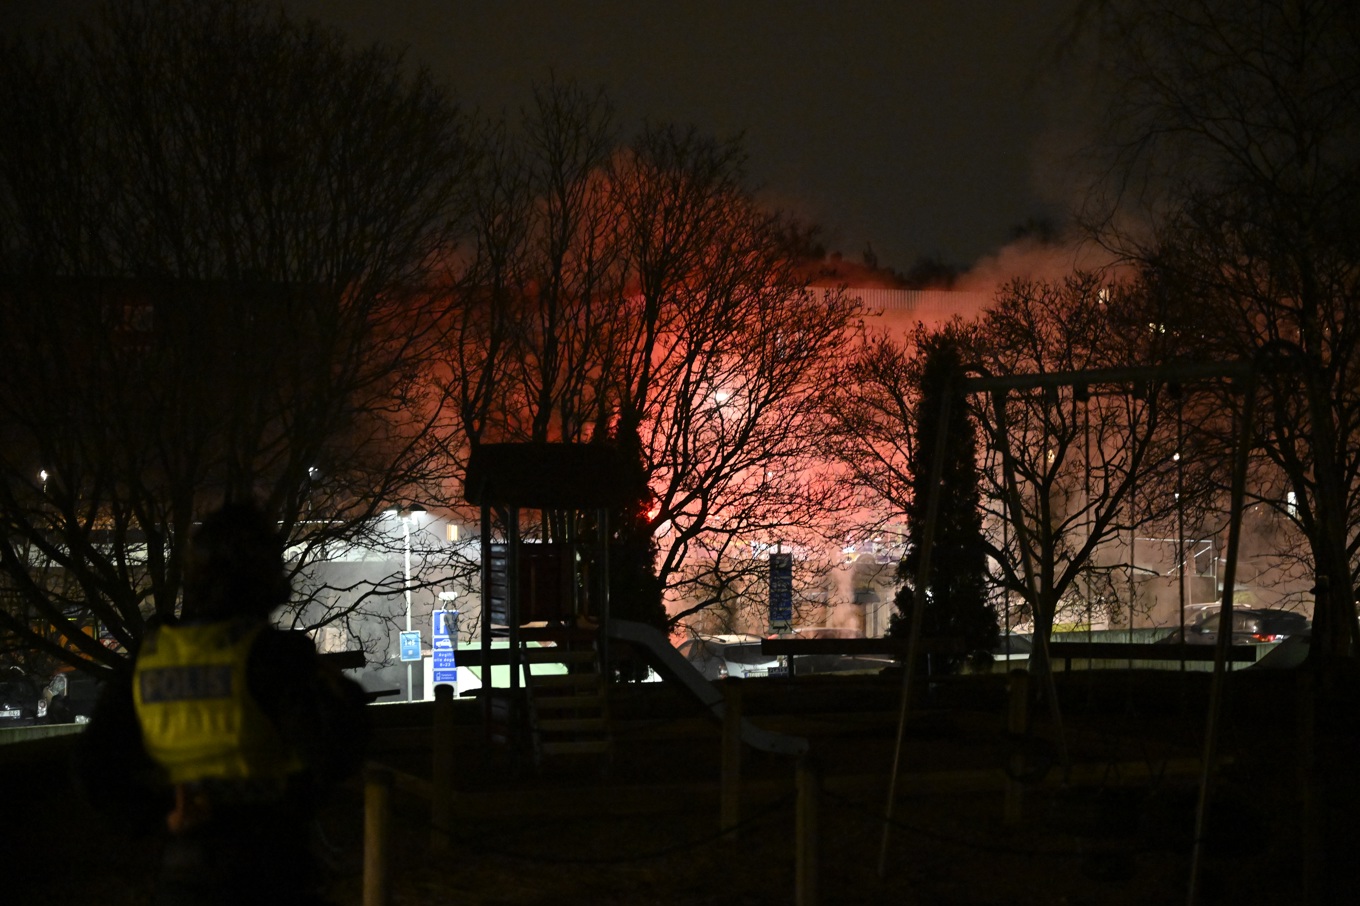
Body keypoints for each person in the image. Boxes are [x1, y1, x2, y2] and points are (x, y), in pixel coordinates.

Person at [79, 501, 367, 905]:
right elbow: (335, 753)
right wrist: (341, 693)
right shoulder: (274, 656)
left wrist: (161, 816)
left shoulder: (150, 660)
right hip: (272, 868)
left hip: (184, 871)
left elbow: (96, 766)